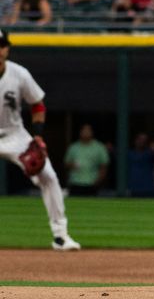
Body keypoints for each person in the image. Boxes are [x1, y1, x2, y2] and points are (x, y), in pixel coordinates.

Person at [0, 29, 80, 250]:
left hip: (14, 134)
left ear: (7, 48)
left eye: (1, 45)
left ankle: (60, 236)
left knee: (48, 176)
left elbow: (37, 104)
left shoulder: (19, 74)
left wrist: (37, 135)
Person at [64, 124, 110, 197]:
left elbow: (104, 166)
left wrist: (98, 181)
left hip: (92, 183)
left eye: (88, 131)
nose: (86, 133)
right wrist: (72, 165)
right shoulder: (73, 147)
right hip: (75, 183)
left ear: (92, 132)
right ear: (80, 132)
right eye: (84, 130)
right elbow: (66, 164)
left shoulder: (99, 147)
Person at [127, 132, 154, 197]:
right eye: (140, 139)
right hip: (133, 189)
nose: (142, 141)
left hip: (149, 189)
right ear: (135, 140)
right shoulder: (128, 154)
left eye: (144, 140)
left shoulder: (150, 154)